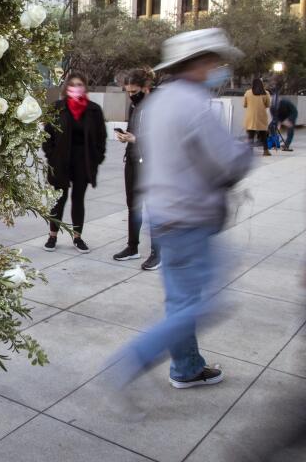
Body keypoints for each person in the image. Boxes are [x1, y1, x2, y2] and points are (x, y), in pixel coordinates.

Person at [110, 28, 252, 395]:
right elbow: (227, 162)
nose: (219, 68)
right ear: (200, 63)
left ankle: (187, 367)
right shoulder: (194, 104)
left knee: (182, 300)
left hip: (164, 214)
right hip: (191, 217)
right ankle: (136, 356)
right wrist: (244, 151)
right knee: (206, 304)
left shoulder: (160, 101)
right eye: (214, 61)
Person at [42, 72, 107, 253]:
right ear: (66, 88)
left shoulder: (94, 110)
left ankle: (77, 237)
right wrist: (51, 155)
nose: (76, 87)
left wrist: (97, 158)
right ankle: (52, 235)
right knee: (58, 200)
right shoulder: (57, 108)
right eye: (72, 84)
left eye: (80, 84)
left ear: (85, 87)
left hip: (83, 161)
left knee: (78, 200)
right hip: (61, 160)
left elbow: (102, 137)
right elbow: (47, 136)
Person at [113, 69, 160, 269]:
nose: (131, 95)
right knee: (133, 205)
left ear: (145, 87)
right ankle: (133, 247)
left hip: (152, 162)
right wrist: (127, 136)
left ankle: (158, 253)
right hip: (133, 159)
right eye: (128, 91)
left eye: (134, 91)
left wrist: (136, 138)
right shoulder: (135, 105)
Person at [244, 77, 271, 157]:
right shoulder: (266, 93)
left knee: (250, 135)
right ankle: (265, 151)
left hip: (250, 116)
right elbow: (268, 104)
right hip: (261, 115)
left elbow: (244, 104)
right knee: (263, 134)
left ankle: (250, 152)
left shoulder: (247, 93)